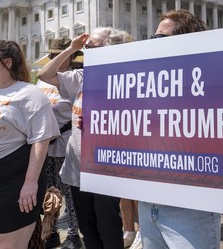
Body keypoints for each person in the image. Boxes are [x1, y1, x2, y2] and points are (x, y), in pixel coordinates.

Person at [38, 27, 135, 249]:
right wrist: (72, 48)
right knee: (88, 230)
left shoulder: (125, 78)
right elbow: (45, 75)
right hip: (77, 163)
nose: (86, 51)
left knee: (108, 229)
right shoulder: (82, 76)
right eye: (86, 47)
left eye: (92, 46)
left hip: (106, 164)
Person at [138, 10, 222, 249]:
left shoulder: (212, 86)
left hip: (191, 207)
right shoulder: (143, 84)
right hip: (149, 202)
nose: (153, 43)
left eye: (160, 38)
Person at [0, 40, 59, 249]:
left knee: (9, 245)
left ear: (6, 62)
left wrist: (30, 183)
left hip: (15, 180)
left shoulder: (30, 94)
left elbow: (41, 140)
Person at [36, 37, 83, 249]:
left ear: (70, 57)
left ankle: (74, 235)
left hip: (65, 142)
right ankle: (51, 232)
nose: (54, 58)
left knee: (69, 195)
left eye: (58, 55)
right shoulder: (42, 80)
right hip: (45, 145)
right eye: (52, 55)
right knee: (49, 193)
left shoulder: (72, 78)